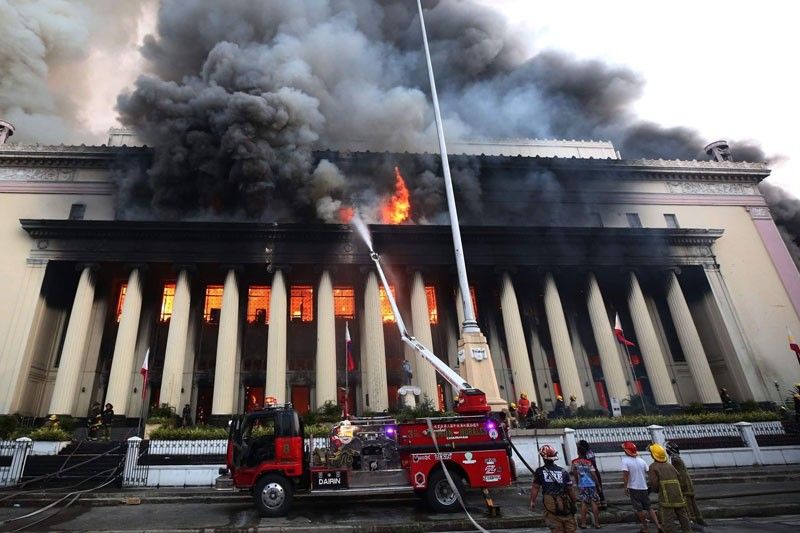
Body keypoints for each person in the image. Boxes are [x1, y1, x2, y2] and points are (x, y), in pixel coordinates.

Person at [530, 444, 578, 533]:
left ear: (543, 458)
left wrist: (532, 501)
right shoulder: (563, 471)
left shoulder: (540, 471)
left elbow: (536, 487)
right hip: (564, 501)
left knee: (556, 528)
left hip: (550, 502)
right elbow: (570, 489)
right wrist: (574, 502)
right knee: (570, 528)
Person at [648, 443, 691, 533]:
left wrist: (655, 490)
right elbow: (679, 477)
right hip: (677, 493)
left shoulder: (653, 466)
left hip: (666, 495)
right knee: (683, 515)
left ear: (653, 455)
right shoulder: (669, 465)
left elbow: (654, 483)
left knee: (667, 518)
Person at [621, 441, 660, 533]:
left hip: (634, 488)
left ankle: (645, 528)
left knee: (639, 509)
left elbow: (626, 475)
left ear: (626, 451)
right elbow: (649, 473)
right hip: (644, 487)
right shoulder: (641, 460)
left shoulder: (625, 461)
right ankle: (658, 525)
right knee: (649, 507)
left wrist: (625, 487)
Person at [665, 442, 705, 526]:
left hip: (684, 484)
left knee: (687, 503)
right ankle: (698, 519)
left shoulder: (674, 459)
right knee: (692, 502)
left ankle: (691, 520)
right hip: (687, 483)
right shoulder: (677, 458)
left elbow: (679, 473)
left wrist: (681, 485)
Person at [571, 444, 602, 528]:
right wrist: (598, 485)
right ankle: (597, 523)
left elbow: (575, 474)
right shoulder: (589, 462)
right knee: (593, 502)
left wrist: (577, 483)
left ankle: (583, 523)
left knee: (583, 503)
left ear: (578, 452)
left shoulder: (575, 462)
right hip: (591, 484)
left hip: (582, 485)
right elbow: (594, 474)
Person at [578, 440, 606, 510]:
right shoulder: (590, 452)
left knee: (594, 488)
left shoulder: (584, 454)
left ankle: (598, 504)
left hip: (589, 473)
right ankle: (602, 502)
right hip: (595, 471)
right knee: (598, 487)